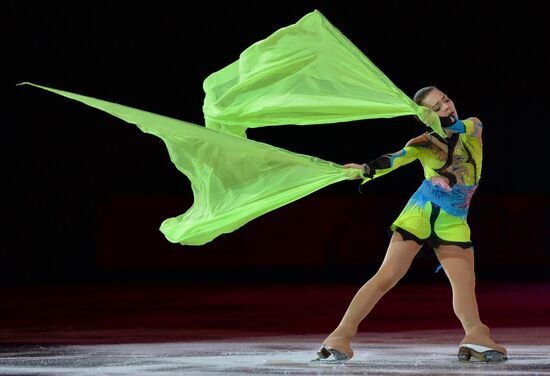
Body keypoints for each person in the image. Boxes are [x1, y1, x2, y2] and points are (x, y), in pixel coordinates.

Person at [314, 86, 508, 363]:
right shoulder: (423, 143)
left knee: (464, 283)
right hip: (420, 212)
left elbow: (457, 129)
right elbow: (395, 158)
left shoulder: (473, 127)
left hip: (453, 219)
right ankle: (339, 336)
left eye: (446, 100)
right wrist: (366, 170)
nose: (447, 107)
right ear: (425, 117)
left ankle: (475, 335)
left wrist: (447, 174)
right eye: (437, 108)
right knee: (387, 276)